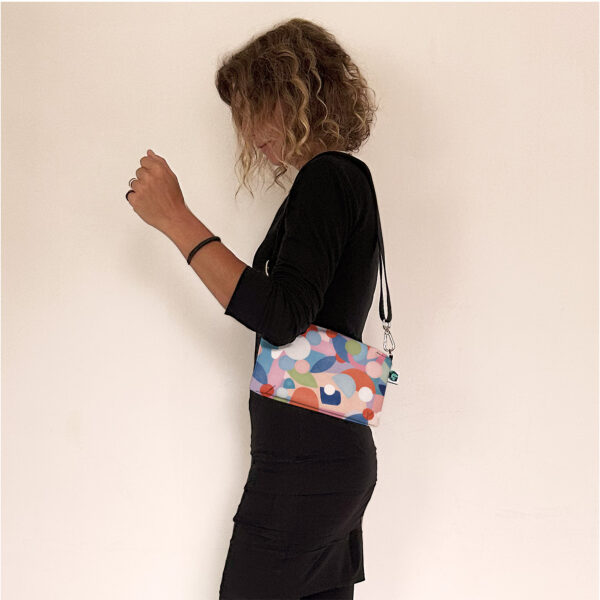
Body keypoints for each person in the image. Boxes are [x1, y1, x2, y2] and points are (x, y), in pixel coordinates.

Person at [126, 17, 382, 600]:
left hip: (305, 468)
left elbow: (282, 316)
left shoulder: (328, 177)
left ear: (295, 94)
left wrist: (176, 219)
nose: (246, 129)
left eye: (253, 105)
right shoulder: (341, 182)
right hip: (325, 458)